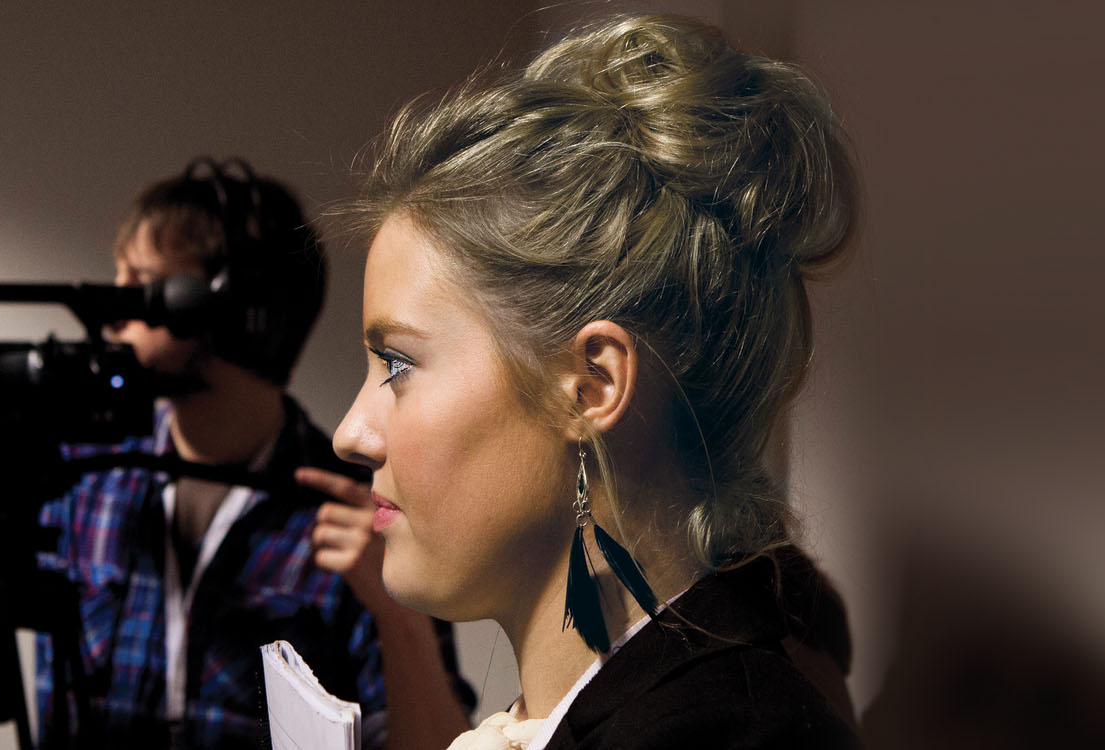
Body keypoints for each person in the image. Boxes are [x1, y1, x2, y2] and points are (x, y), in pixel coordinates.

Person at [0, 158, 474, 748]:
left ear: (236, 313)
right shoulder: (83, 478)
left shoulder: (351, 515)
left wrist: (398, 615)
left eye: (142, 283)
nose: (112, 310)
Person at [333, 13, 861, 750]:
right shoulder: (608, 715)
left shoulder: (724, 737)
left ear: (590, 385)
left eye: (397, 365)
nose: (350, 432)